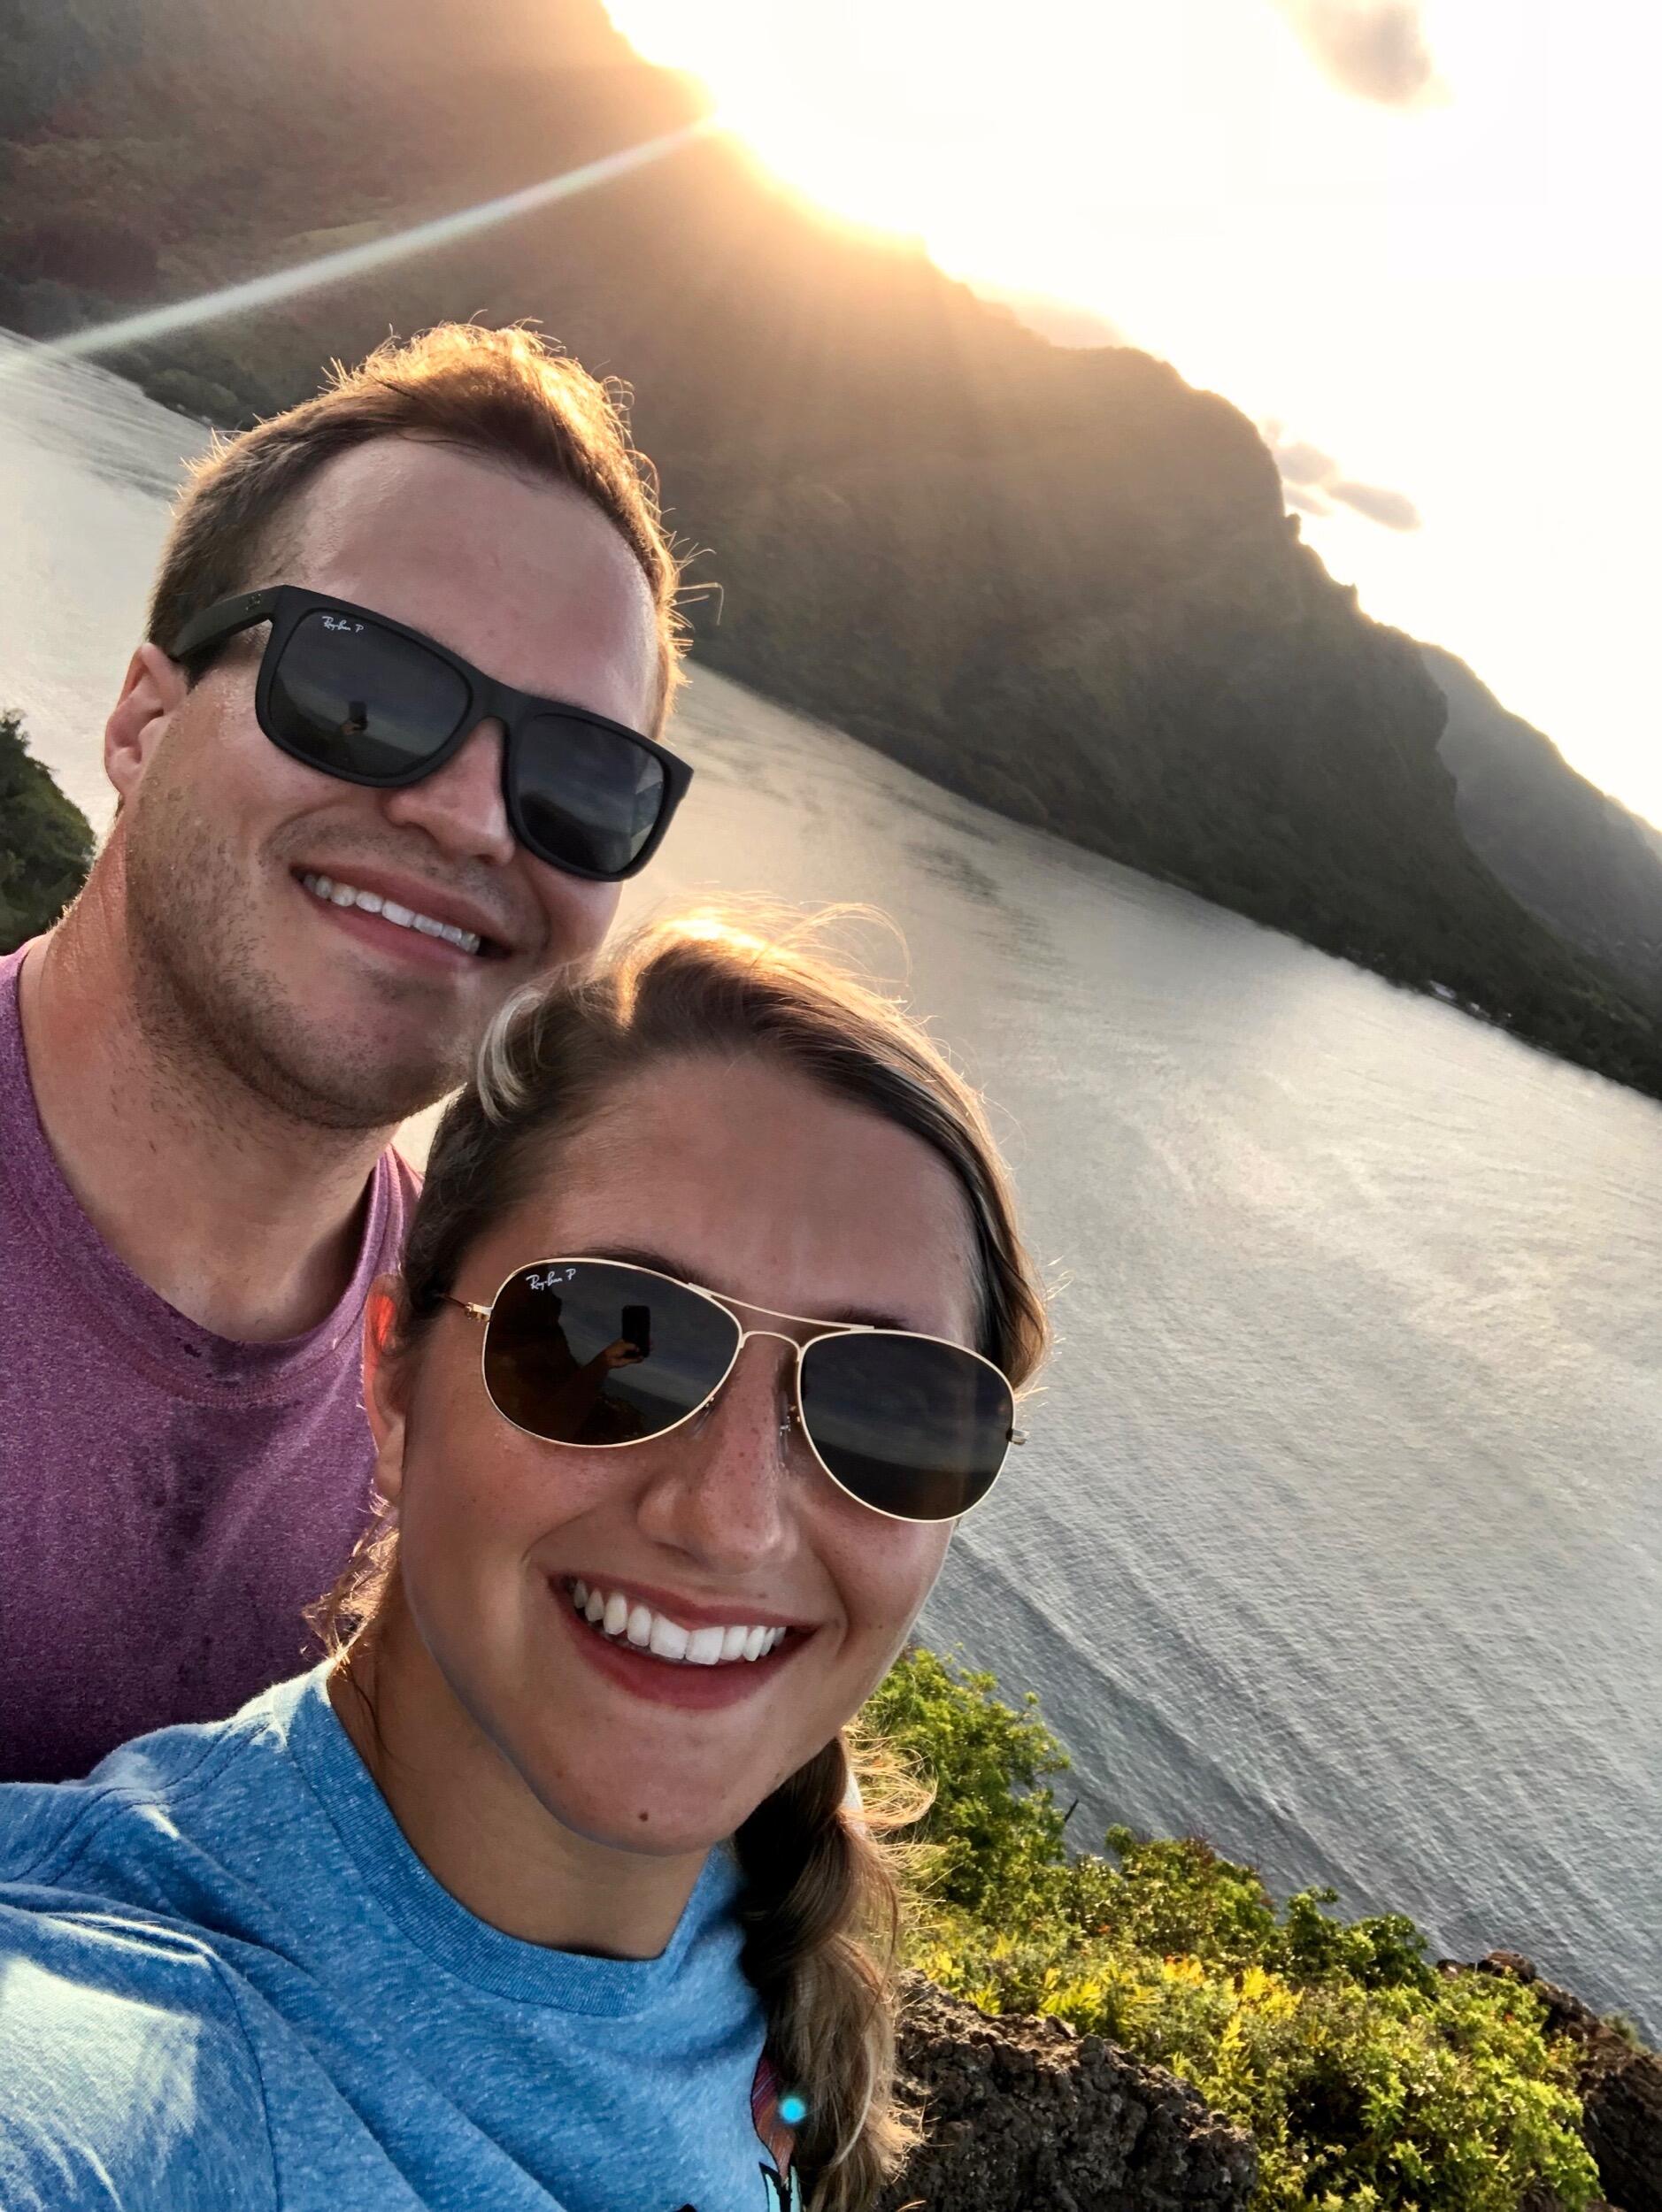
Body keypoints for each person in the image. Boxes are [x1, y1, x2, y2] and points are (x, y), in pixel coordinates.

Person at [0, 913, 1049, 2212]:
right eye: (611, 1339)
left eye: (888, 1408)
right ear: (392, 1379)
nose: (730, 1518)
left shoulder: (766, 1946)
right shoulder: (104, 2063)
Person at [0, 322, 692, 1780]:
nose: (467, 816)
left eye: (581, 777)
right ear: (143, 719)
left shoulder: (495, 1402)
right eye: (364, 686)